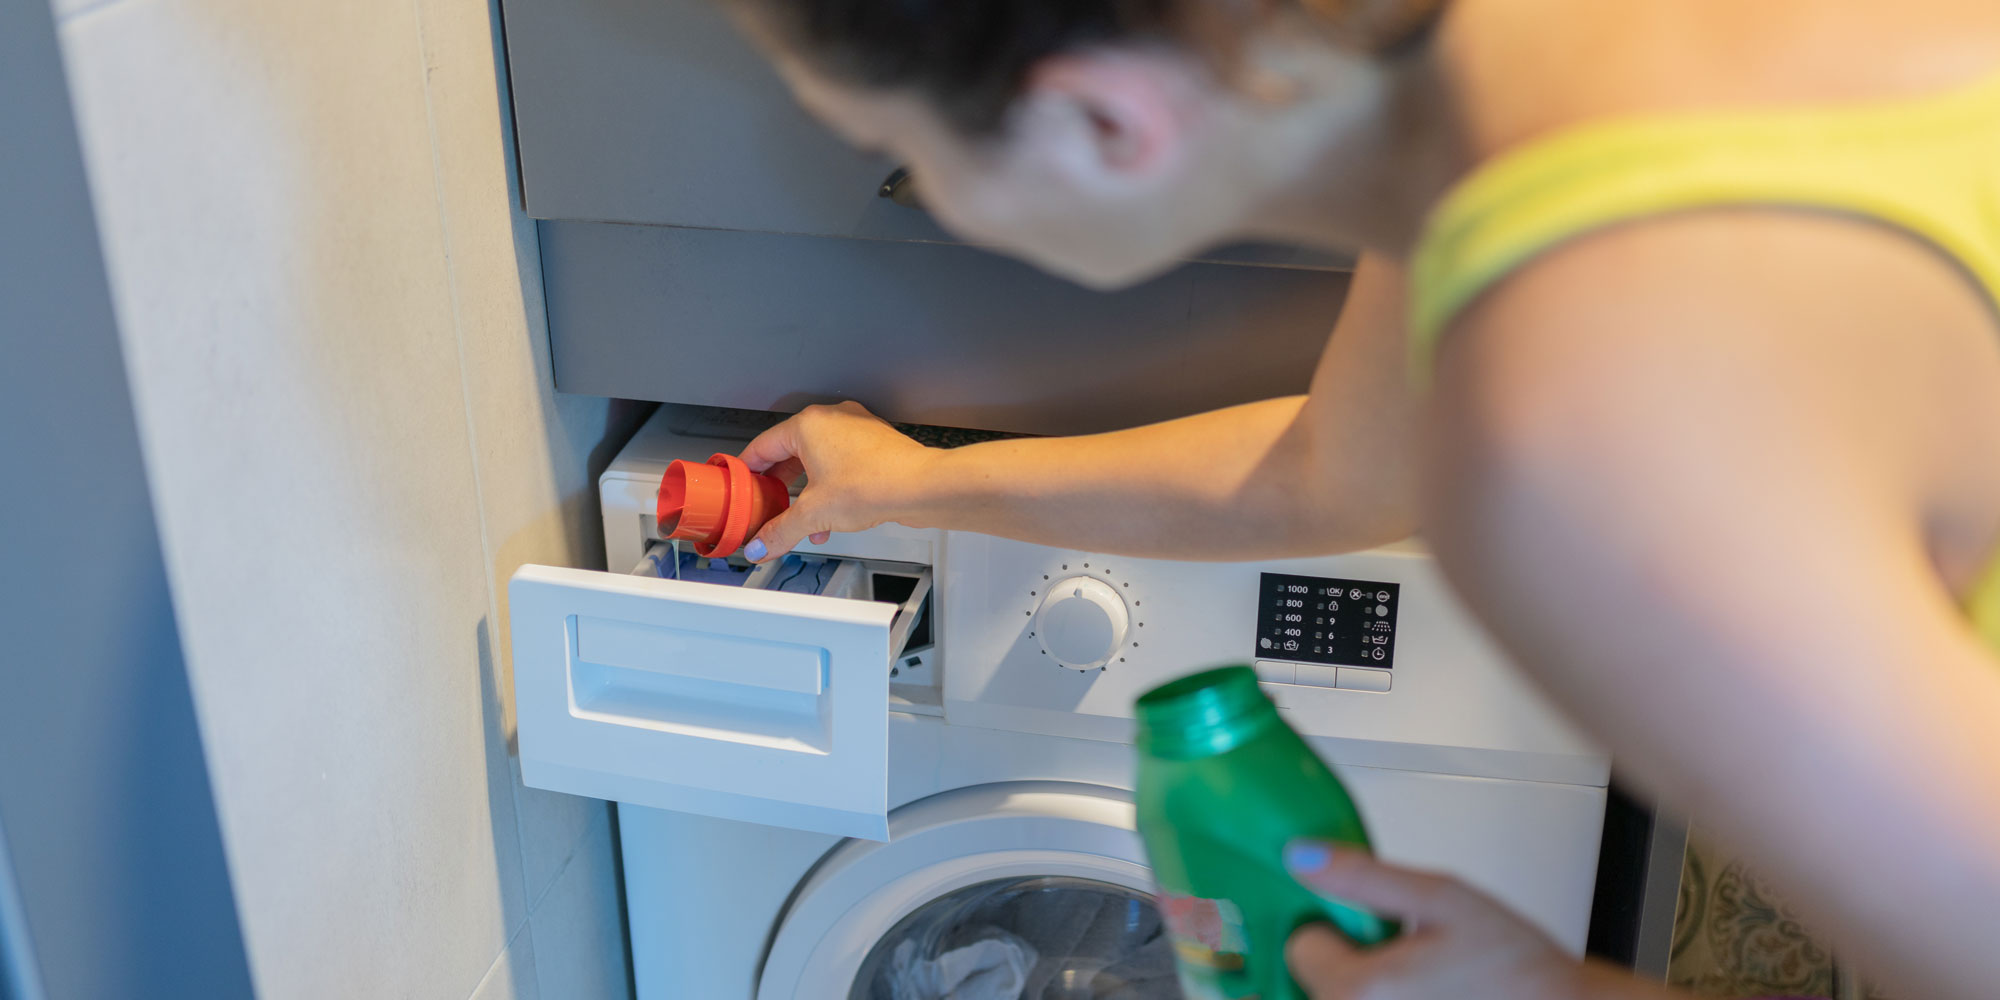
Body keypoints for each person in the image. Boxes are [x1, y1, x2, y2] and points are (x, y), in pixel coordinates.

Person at [716, 0, 2000, 996]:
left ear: (1105, 122)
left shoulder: (1576, 425)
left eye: (904, 149)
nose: (931, 197)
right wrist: (916, 484)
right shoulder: (1512, 89)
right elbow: (1331, 468)